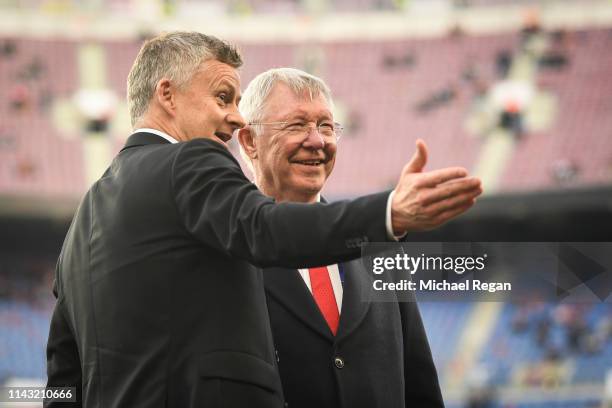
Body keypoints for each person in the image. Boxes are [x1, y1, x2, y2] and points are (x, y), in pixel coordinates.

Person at [45, 32, 481, 408]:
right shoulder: (192, 168)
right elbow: (263, 228)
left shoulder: (79, 232)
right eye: (222, 98)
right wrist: (387, 213)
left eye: (328, 126)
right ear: (167, 95)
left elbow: (63, 385)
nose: (234, 119)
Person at [238, 68, 479, 407]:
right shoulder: (227, 253)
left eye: (325, 126)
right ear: (250, 141)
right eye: (296, 125)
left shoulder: (380, 249)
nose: (317, 141)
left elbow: (418, 379)